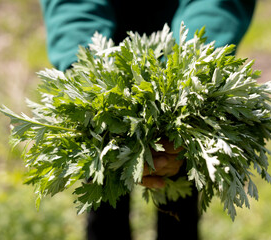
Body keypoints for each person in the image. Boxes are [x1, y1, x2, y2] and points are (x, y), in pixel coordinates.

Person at [39, 1, 256, 239]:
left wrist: (191, 70)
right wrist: (86, 72)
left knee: (180, 173)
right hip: (103, 56)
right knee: (104, 184)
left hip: (182, 51)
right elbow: (73, 6)